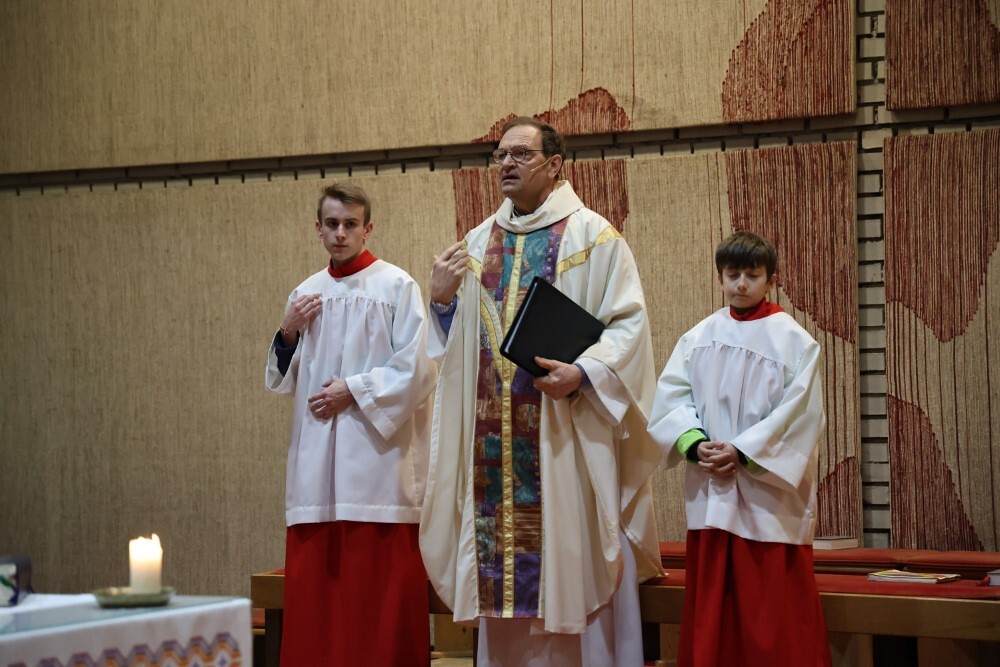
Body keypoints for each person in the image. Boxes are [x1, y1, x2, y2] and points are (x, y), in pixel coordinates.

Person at [419, 117, 664, 667]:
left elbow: (628, 326)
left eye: (520, 154)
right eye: (500, 155)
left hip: (562, 437)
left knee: (570, 570)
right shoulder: (478, 242)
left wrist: (585, 373)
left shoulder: (593, 237)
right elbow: (457, 348)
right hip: (493, 453)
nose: (506, 163)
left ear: (554, 165)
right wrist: (440, 302)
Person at [265, 183, 436, 666]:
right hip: (316, 469)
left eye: (350, 224)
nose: (341, 233)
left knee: (373, 608)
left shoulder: (397, 287)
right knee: (319, 611)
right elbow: (285, 379)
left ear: (367, 228)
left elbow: (419, 370)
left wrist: (354, 389)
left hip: (378, 467)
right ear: (318, 229)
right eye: (332, 224)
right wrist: (287, 331)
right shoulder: (305, 294)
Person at [647, 231, 832, 667]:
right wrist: (696, 445)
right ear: (720, 279)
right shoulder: (699, 337)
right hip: (713, 490)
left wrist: (743, 452)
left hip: (767, 500)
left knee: (771, 618)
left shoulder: (795, 342)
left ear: (772, 280)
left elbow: (800, 417)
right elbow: (672, 400)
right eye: (733, 275)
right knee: (715, 608)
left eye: (753, 275)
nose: (742, 284)